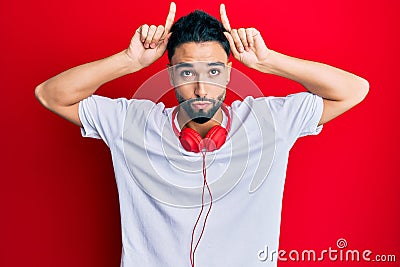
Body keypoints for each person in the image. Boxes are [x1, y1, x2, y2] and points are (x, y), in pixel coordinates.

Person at [35, 2, 369, 267]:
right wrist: (128, 61)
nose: (200, 88)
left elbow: (354, 90)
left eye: (213, 71)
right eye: (186, 72)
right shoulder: (131, 123)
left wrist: (268, 62)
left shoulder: (269, 122)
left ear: (228, 73)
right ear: (169, 75)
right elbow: (49, 94)